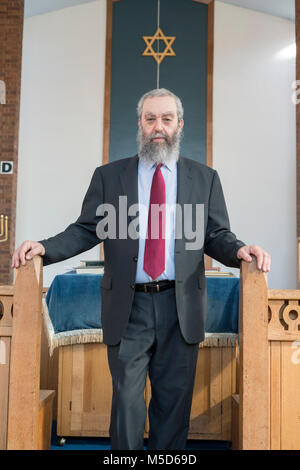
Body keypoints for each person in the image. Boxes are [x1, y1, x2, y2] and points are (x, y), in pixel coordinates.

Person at [12, 88, 271, 450]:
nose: (158, 127)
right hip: (128, 306)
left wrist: (242, 249)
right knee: (128, 404)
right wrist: (45, 247)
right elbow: (87, 228)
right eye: (150, 119)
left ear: (180, 124)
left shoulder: (205, 178)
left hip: (180, 307)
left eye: (166, 118)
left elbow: (215, 234)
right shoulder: (109, 176)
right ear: (140, 124)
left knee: (172, 404)